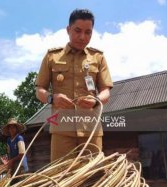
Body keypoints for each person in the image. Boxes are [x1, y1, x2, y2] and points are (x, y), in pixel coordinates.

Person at [35, 8, 113, 161]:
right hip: (61, 130)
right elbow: (39, 90)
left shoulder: (98, 57)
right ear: (68, 30)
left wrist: (95, 101)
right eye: (77, 31)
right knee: (61, 177)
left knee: (94, 176)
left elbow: (106, 91)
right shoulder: (52, 56)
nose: (82, 37)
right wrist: (52, 98)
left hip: (91, 130)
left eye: (88, 32)